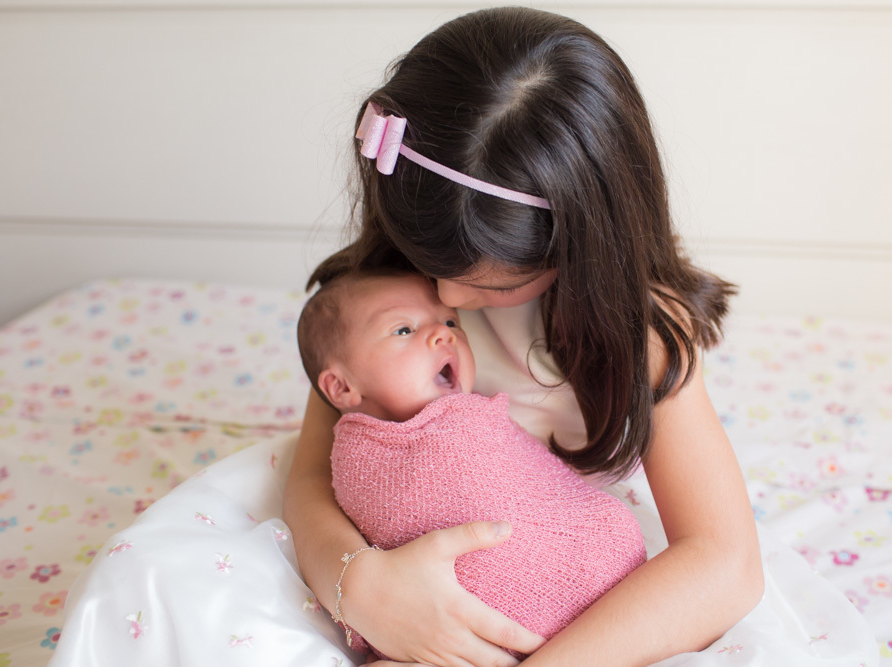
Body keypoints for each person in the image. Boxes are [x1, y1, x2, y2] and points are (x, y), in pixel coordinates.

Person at [284, 7, 764, 665]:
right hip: (393, 580)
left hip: (563, 602)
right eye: (434, 265)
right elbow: (311, 478)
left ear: (582, 244)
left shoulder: (643, 336)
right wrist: (363, 588)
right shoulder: (386, 294)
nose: (448, 299)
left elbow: (725, 561)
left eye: (491, 284)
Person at [295, 270, 648, 657]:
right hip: (445, 618)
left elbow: (532, 484)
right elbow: (331, 498)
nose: (443, 334)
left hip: (615, 604)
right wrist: (364, 589)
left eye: (451, 323)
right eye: (403, 330)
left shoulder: (643, 320)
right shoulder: (365, 455)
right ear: (342, 387)